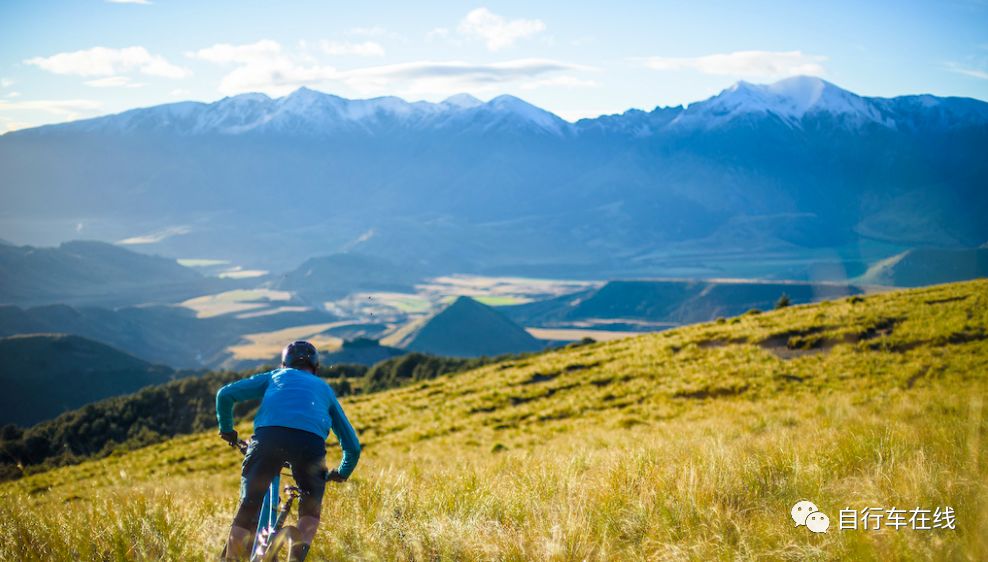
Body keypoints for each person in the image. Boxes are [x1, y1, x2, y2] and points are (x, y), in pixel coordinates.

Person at [216, 340, 361, 562]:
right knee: (310, 514)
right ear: (315, 367)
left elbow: (225, 395)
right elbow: (352, 446)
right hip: (309, 446)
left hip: (268, 440)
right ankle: (295, 558)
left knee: (247, 509)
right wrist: (341, 472)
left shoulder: (275, 376)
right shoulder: (324, 389)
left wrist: (227, 430)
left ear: (285, 364)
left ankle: (232, 559)